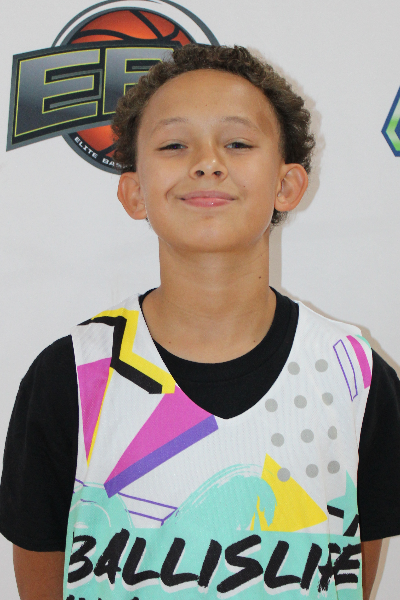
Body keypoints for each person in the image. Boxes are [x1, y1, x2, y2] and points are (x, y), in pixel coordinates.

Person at [1, 44, 399, 600]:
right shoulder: (71, 376)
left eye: (237, 143)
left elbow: (351, 575)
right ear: (134, 191)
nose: (207, 162)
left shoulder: (355, 378)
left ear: (286, 184)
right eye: (174, 144)